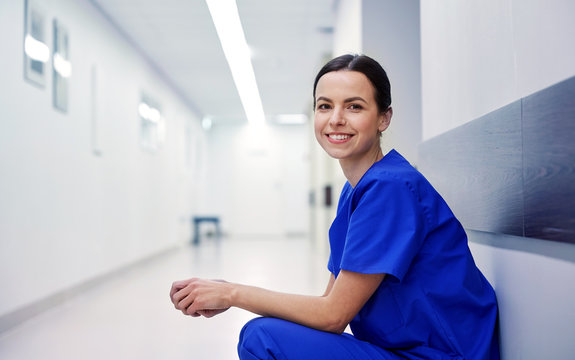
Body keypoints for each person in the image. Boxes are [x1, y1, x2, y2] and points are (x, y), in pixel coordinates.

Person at [170, 54, 500, 359]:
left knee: (261, 337)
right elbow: (330, 309)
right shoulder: (357, 191)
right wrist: (228, 289)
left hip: (441, 356)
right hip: (403, 350)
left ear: (383, 118)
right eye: (325, 106)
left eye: (354, 107)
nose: (336, 120)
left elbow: (332, 317)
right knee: (265, 334)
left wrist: (232, 294)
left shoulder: (391, 189)